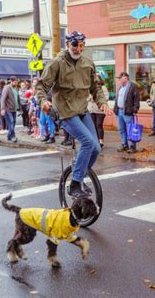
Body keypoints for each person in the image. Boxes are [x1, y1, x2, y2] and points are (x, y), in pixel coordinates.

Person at [35, 30, 109, 198]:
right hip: (65, 111)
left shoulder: (87, 63)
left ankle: (79, 174)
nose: (78, 48)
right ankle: (75, 184)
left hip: (82, 109)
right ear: (67, 44)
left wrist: (102, 103)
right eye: (75, 45)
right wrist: (43, 101)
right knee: (87, 142)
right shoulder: (57, 63)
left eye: (82, 45)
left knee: (96, 148)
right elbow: (41, 86)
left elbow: (95, 87)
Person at [113, 72, 140, 153]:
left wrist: (135, 110)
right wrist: (115, 109)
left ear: (125, 78)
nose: (119, 80)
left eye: (120, 78)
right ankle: (124, 144)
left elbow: (136, 99)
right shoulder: (121, 87)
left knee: (130, 129)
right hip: (120, 111)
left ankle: (132, 146)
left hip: (128, 111)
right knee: (121, 129)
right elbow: (117, 99)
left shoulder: (132, 86)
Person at [88, 74, 109, 148]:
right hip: (91, 110)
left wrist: (93, 98)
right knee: (93, 125)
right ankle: (95, 140)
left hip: (100, 110)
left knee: (98, 125)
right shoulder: (90, 88)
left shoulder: (103, 88)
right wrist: (90, 98)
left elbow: (105, 98)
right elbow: (86, 98)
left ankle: (101, 141)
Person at [1, 76, 21, 142]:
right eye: (15, 82)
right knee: (11, 122)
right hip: (8, 109)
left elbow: (18, 98)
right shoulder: (7, 88)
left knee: (13, 122)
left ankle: (9, 135)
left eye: (17, 82)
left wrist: (20, 108)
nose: (16, 83)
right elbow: (3, 99)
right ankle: (13, 136)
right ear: (11, 81)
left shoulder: (16, 88)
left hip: (14, 108)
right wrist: (3, 109)